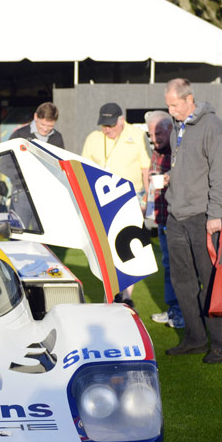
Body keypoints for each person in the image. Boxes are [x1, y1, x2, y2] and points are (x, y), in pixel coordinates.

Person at [162, 78, 222, 363]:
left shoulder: (213, 127)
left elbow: (221, 174)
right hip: (176, 215)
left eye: (174, 105)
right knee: (182, 282)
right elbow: (187, 168)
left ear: (189, 99)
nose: (170, 111)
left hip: (203, 217)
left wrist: (215, 214)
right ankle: (194, 338)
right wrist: (171, 180)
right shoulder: (177, 127)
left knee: (211, 281)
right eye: (167, 105)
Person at [81, 102, 151, 307]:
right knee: (106, 250)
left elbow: (146, 168)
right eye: (104, 125)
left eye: (111, 125)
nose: (107, 129)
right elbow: (84, 169)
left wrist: (147, 198)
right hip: (101, 200)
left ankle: (126, 296)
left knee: (131, 247)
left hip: (132, 197)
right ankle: (110, 294)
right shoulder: (93, 138)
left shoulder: (137, 136)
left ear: (121, 121)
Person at [144, 111, 184, 330]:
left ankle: (181, 314)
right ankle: (173, 310)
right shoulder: (157, 150)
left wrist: (169, 178)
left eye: (157, 132)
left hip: (175, 218)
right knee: (168, 266)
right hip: (161, 218)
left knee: (178, 268)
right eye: (150, 133)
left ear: (169, 129)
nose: (154, 137)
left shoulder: (178, 151)